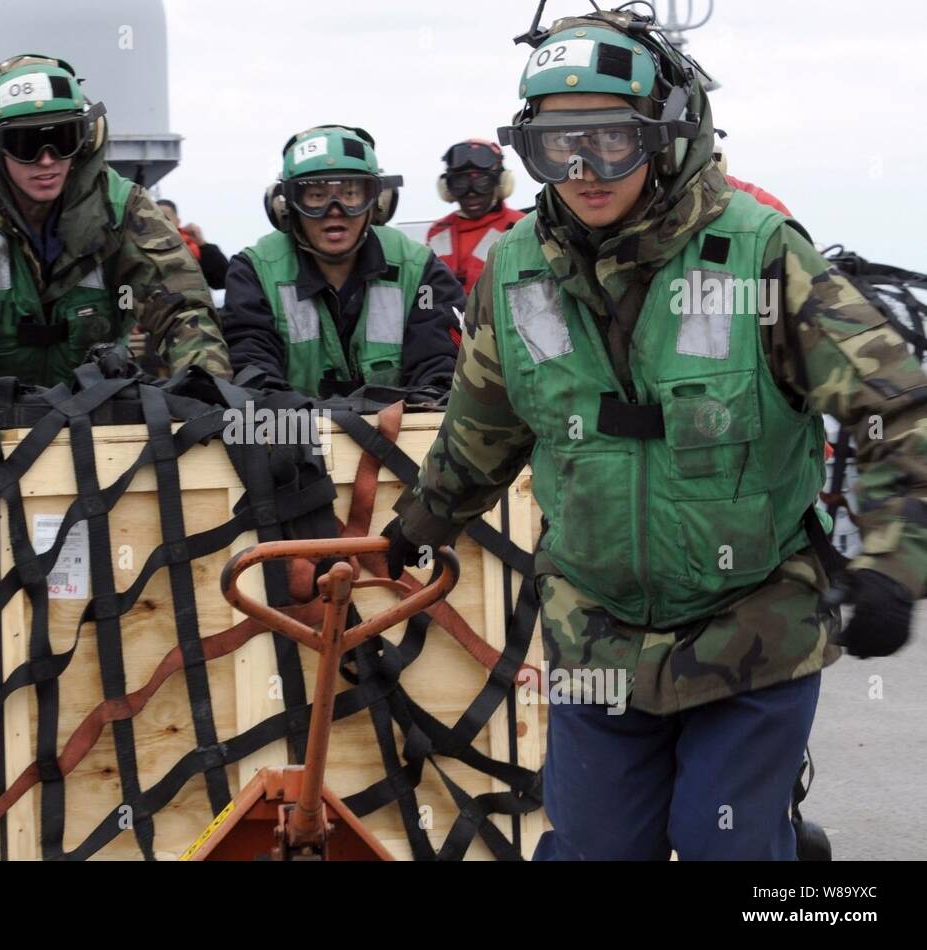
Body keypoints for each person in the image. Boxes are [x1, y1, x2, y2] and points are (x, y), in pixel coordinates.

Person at [383, 8, 927, 860]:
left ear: (669, 134)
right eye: (556, 147)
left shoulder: (760, 255)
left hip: (751, 624)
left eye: (611, 139)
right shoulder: (516, 272)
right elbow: (483, 424)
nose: (584, 170)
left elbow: (898, 405)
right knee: (596, 850)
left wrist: (895, 563)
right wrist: (416, 528)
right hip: (595, 629)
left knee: (726, 847)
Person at [0, 54, 230, 389]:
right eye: (25, 143)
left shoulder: (124, 208)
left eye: (62, 138)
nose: (46, 160)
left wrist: (206, 388)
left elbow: (182, 309)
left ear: (87, 138)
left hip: (98, 414)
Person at [224, 125, 464, 398]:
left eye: (351, 194)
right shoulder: (254, 271)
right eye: (316, 196)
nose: (334, 212)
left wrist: (412, 407)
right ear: (287, 206)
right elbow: (252, 368)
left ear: (376, 202)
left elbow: (441, 368)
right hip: (296, 436)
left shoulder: (420, 269)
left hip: (401, 435)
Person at [426, 139, 525, 294]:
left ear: (500, 183)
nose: (471, 193)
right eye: (460, 184)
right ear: (447, 188)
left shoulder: (522, 227)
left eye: (482, 182)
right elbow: (427, 291)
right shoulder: (437, 232)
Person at [156, 199, 228, 290]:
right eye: (154, 218)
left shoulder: (192, 248)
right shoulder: (137, 248)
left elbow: (222, 280)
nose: (160, 223)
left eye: (166, 218)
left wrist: (203, 245)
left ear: (177, 221)